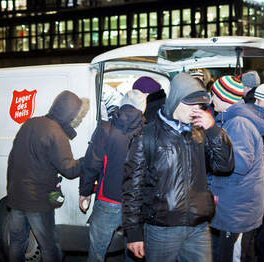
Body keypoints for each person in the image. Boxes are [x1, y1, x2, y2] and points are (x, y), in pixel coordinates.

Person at [122, 72, 234, 262]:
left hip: (199, 227)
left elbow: (225, 165)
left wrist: (214, 129)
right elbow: (132, 188)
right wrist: (133, 232)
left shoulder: (200, 133)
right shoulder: (146, 136)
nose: (197, 109)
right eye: (192, 104)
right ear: (176, 100)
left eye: (200, 105)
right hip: (161, 229)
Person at [7, 90, 89, 262]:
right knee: (49, 247)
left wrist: (11, 190)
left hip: (16, 198)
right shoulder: (57, 133)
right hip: (38, 202)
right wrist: (88, 160)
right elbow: (70, 170)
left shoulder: (30, 123)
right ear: (69, 114)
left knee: (16, 243)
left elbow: (12, 159)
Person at [79, 89, 147, 262]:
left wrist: (85, 192)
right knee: (134, 250)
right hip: (136, 204)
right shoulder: (147, 132)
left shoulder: (106, 129)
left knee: (97, 251)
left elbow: (91, 164)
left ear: (122, 103)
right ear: (142, 108)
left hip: (108, 199)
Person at [210, 76, 264, 262]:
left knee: (234, 256)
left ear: (223, 97)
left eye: (213, 94)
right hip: (237, 203)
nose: (210, 99)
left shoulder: (238, 123)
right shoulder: (232, 119)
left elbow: (239, 165)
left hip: (237, 209)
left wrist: (211, 155)